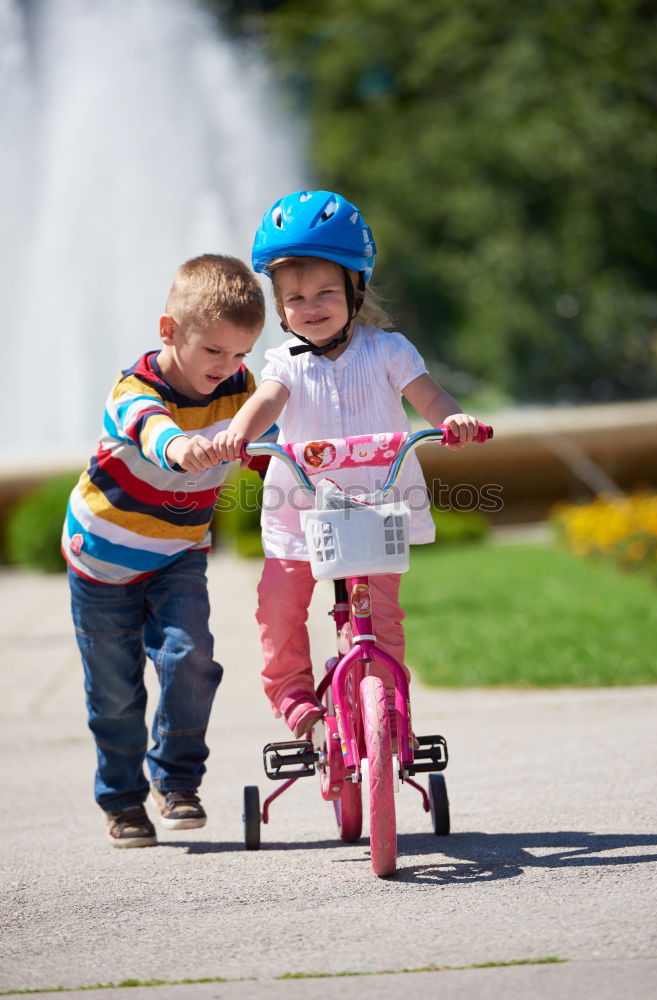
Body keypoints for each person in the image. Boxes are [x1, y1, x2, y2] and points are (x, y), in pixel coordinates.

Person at [215, 190, 483, 739]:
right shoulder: (282, 363)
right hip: (300, 510)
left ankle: (388, 707)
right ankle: (293, 697)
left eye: (325, 292)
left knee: (380, 616)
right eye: (294, 297)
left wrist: (454, 421)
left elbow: (428, 396)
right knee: (281, 603)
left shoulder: (388, 350)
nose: (310, 306)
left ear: (355, 288)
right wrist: (237, 434)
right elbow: (264, 402)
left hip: (376, 504)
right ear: (280, 306)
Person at [63, 254, 276, 848]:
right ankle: (123, 800)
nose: (227, 367)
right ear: (169, 332)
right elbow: (149, 427)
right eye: (213, 351)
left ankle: (177, 781)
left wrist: (304, 470)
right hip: (102, 559)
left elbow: (265, 447)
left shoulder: (239, 390)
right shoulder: (134, 389)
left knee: (191, 658)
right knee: (115, 694)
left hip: (178, 552)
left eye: (240, 354)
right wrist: (179, 448)